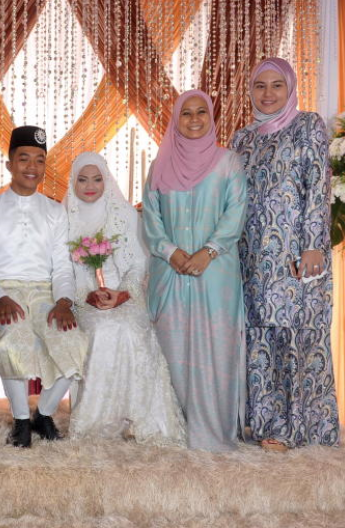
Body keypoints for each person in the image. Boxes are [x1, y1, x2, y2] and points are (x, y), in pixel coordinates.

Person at [230, 57, 340, 451]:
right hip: (249, 255)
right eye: (260, 85)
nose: (268, 93)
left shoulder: (307, 125)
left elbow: (318, 185)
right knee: (259, 334)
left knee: (295, 333)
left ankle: (296, 427)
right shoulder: (242, 139)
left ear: (290, 88)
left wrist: (313, 244)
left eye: (277, 85)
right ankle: (264, 423)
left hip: (295, 253)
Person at [143, 89, 247, 452]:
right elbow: (152, 219)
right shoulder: (160, 165)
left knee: (216, 351)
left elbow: (236, 212)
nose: (194, 119)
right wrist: (170, 252)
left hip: (215, 272)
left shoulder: (228, 162)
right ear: (176, 119)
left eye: (201, 112)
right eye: (186, 113)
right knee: (172, 349)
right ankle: (175, 431)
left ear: (211, 117)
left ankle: (213, 434)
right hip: (170, 272)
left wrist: (209, 251)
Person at [63, 152, 187, 445]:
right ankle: (99, 421)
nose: (90, 186)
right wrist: (88, 294)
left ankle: (141, 416)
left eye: (97, 179)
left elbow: (139, 263)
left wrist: (122, 293)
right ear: (72, 182)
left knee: (131, 328)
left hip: (125, 294)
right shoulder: (64, 217)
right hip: (83, 298)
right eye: (82, 180)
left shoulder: (125, 213)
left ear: (107, 180)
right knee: (102, 330)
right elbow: (65, 268)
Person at [0, 126, 89, 448]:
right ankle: (20, 421)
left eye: (39, 160)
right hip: (3, 292)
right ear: (9, 164)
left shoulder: (55, 211)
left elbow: (62, 267)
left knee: (73, 340)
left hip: (45, 292)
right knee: (15, 338)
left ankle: (43, 414)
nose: (32, 167)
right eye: (24, 158)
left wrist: (64, 302)